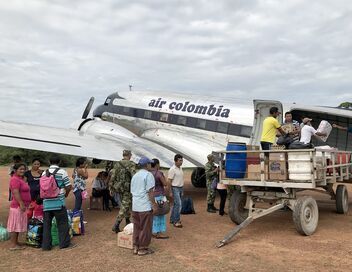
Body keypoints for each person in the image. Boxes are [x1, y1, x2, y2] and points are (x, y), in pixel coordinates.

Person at [42, 155, 74, 250]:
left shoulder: (44, 172)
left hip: (47, 202)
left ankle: (46, 246)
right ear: (59, 162)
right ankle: (64, 244)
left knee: (47, 225)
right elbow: (68, 186)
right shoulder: (62, 172)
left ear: (49, 161)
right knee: (62, 224)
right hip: (58, 202)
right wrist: (66, 194)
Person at [131, 157, 155, 256]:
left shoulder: (135, 175)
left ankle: (136, 246)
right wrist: (153, 204)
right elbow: (150, 192)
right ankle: (143, 248)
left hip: (135, 206)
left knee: (137, 226)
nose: (151, 165)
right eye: (150, 164)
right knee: (146, 227)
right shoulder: (148, 175)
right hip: (145, 206)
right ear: (147, 165)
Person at [110, 150, 136, 233]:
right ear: (129, 155)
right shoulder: (131, 164)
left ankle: (127, 221)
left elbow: (113, 176)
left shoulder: (117, 164)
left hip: (119, 188)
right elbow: (134, 176)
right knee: (125, 206)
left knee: (125, 204)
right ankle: (116, 225)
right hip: (128, 189)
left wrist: (111, 187)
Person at [7, 163, 31, 250]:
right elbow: (15, 192)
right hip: (17, 206)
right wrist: (21, 203)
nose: (22, 171)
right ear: (15, 170)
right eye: (20, 169)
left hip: (21, 205)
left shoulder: (19, 179)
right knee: (14, 224)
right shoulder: (15, 179)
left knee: (17, 223)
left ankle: (16, 242)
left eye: (24, 169)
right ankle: (13, 245)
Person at [150, 158, 169, 239]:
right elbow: (165, 184)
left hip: (152, 196)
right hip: (159, 196)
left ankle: (153, 231)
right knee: (160, 214)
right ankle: (159, 232)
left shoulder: (149, 173)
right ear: (157, 164)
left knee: (154, 214)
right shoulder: (159, 173)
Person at [168, 154, 184, 228]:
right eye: (180, 160)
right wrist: (170, 191)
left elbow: (181, 179)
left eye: (182, 160)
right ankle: (176, 221)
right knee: (179, 205)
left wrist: (182, 189)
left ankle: (172, 219)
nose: (181, 162)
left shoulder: (180, 168)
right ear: (175, 161)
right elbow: (169, 181)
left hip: (180, 188)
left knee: (175, 205)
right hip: (175, 188)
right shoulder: (172, 169)